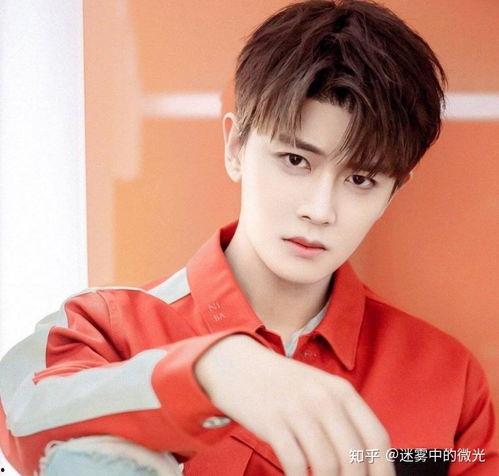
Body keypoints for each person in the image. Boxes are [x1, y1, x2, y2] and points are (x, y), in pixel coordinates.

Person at [0, 0, 497, 475]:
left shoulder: (448, 378)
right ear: (236, 147)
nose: (320, 210)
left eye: (361, 179)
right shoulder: (106, 330)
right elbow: (19, 415)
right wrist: (210, 372)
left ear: (392, 193)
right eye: (295, 160)